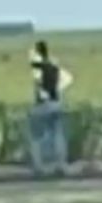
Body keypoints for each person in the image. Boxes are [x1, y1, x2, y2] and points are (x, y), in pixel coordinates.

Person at [27, 41, 73, 177]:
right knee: (57, 135)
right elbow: (68, 78)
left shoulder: (37, 68)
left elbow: (38, 84)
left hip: (43, 104)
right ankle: (61, 165)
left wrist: (43, 93)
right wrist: (57, 90)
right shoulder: (53, 65)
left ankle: (39, 166)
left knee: (36, 136)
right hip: (56, 102)